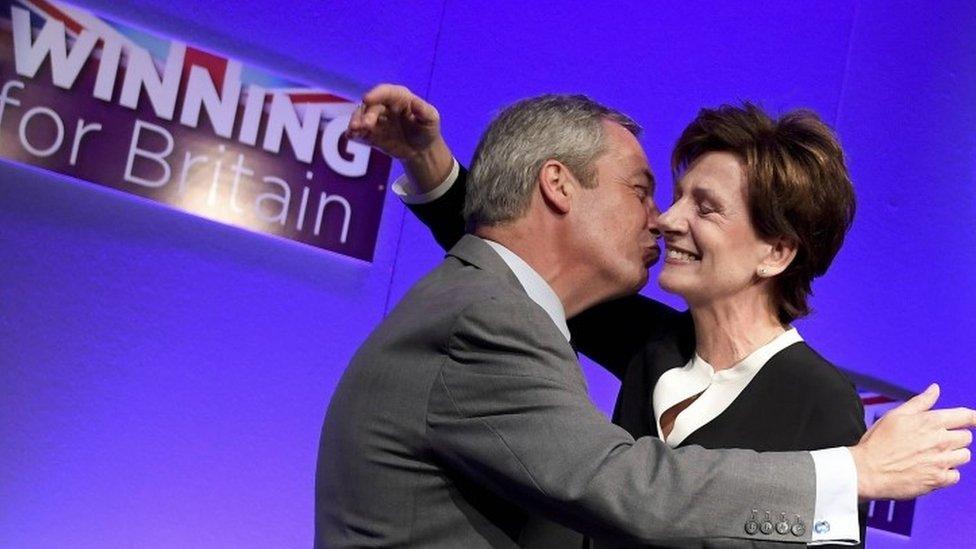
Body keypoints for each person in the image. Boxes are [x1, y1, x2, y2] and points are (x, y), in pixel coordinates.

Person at [315, 90, 974, 548]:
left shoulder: (821, 398)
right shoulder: (648, 342)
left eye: (704, 207)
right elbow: (519, 243)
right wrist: (434, 169)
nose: (666, 218)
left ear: (775, 251)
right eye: (667, 193)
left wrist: (851, 471)